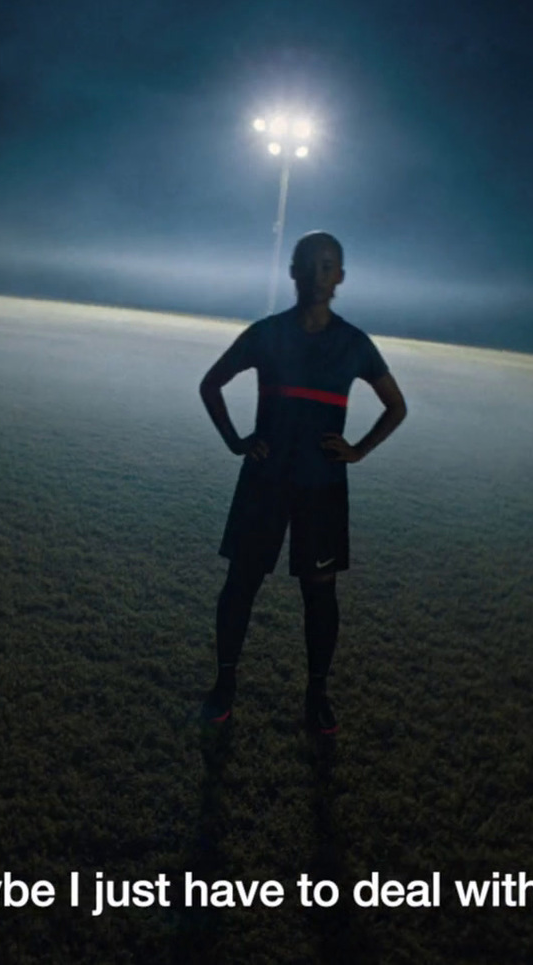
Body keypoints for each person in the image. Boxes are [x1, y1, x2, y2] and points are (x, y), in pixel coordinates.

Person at [197, 231, 408, 734]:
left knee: (320, 592)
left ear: (340, 276)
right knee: (241, 584)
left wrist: (358, 450)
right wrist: (235, 440)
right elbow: (211, 384)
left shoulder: (354, 344)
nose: (317, 274)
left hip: (322, 488)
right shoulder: (267, 333)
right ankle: (224, 686)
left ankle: (317, 694)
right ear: (292, 271)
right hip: (264, 479)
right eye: (308, 264)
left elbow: (396, 406)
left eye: (327, 265)